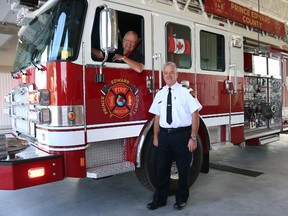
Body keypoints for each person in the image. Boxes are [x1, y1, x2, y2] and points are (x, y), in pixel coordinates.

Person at [147, 62, 202, 211]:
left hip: (182, 135)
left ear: (177, 75)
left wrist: (193, 137)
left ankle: (181, 199)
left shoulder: (186, 91)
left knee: (183, 169)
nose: (169, 75)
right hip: (164, 135)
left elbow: (195, 115)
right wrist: (156, 136)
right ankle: (160, 199)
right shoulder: (160, 93)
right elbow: (157, 117)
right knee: (161, 169)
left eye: (172, 72)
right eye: (166, 73)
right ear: (163, 76)